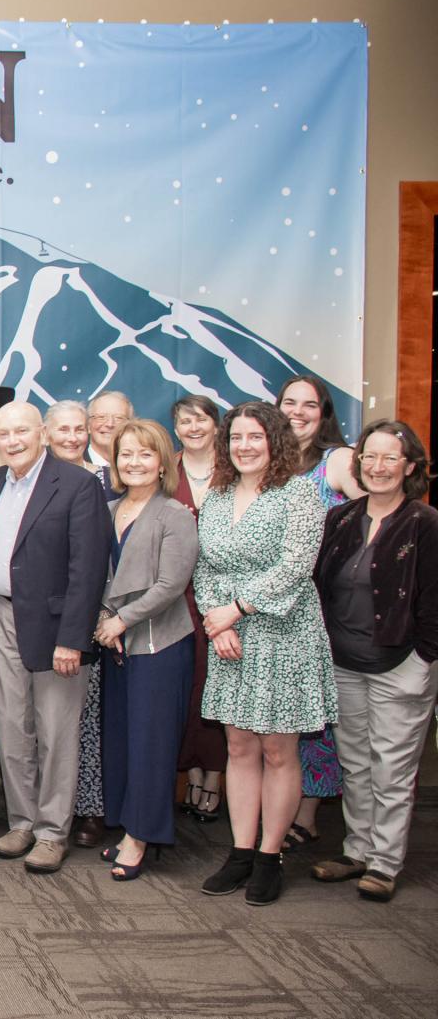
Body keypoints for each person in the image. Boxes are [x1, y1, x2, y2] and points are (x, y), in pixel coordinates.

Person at [195, 401, 334, 906]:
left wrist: (236, 608)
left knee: (278, 750)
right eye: (236, 438)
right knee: (238, 748)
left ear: (274, 440)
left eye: (255, 436)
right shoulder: (217, 496)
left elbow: (296, 565)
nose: (245, 446)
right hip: (229, 638)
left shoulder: (298, 493)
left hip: (283, 633)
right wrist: (217, 620)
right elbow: (205, 565)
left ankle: (270, 857)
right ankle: (240, 851)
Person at [310, 421, 438, 901]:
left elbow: (434, 601)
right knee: (356, 763)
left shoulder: (425, 523)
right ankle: (357, 849)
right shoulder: (341, 519)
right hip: (344, 662)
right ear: (358, 462)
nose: (378, 467)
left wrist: (424, 658)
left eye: (390, 458)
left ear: (409, 467)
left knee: (392, 769)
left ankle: (385, 863)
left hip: (401, 665)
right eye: (370, 457)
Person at [0, 401, 110, 874]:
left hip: (57, 627)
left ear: (42, 432)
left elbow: (88, 568)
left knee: (56, 732)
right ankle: (22, 822)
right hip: (4, 616)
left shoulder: (78, 485)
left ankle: (53, 831)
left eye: (22, 431)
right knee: (12, 726)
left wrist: (73, 638)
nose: (13, 440)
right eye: (5, 433)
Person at [92, 420, 199, 881]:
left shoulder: (174, 514)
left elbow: (172, 585)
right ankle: (126, 826)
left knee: (151, 745)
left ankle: (140, 838)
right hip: (115, 648)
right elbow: (98, 574)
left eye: (144, 454)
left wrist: (122, 620)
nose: (134, 462)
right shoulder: (108, 508)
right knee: (121, 740)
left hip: (159, 647)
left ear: (162, 463)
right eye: (126, 454)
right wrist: (103, 621)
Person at [276, 373, 363, 852]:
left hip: (324, 605)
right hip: (274, 608)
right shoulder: (272, 463)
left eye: (309, 405)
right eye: (289, 402)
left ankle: (307, 815)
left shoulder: (337, 462)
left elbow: (375, 519)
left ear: (324, 413)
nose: (298, 412)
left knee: (316, 714)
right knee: (289, 714)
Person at [43, 398, 113, 847]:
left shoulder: (109, 477)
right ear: (46, 433)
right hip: (53, 615)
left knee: (91, 719)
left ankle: (91, 809)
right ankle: (62, 811)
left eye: (79, 429)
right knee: (64, 721)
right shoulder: (27, 477)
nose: (72, 437)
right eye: (62, 429)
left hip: (103, 612)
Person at [170, 394, 225, 822]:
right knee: (188, 686)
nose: (193, 427)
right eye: (185, 420)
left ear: (215, 425)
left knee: (220, 686)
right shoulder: (166, 469)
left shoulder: (235, 468)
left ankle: (217, 777)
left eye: (201, 419)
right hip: (178, 595)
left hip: (228, 600)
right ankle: (189, 772)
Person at [86, 391, 133, 468]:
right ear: (88, 425)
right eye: (101, 417)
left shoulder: (137, 467)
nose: (110, 424)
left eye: (119, 418)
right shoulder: (72, 467)